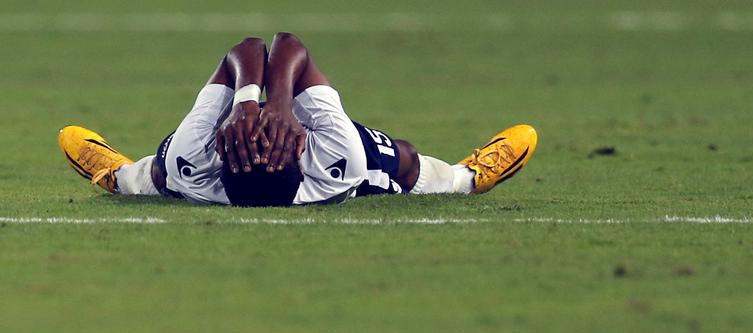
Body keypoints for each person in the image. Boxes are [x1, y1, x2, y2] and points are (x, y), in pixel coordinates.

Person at [58, 32, 536, 207]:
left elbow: (250, 48)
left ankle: (116, 175)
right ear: (300, 148)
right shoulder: (336, 159)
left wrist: (252, 102)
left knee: (164, 173)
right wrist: (282, 102)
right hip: (332, 175)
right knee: (402, 160)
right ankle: (466, 180)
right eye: (267, 131)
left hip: (212, 159)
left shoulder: (198, 160)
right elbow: (290, 47)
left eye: (258, 132)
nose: (263, 126)